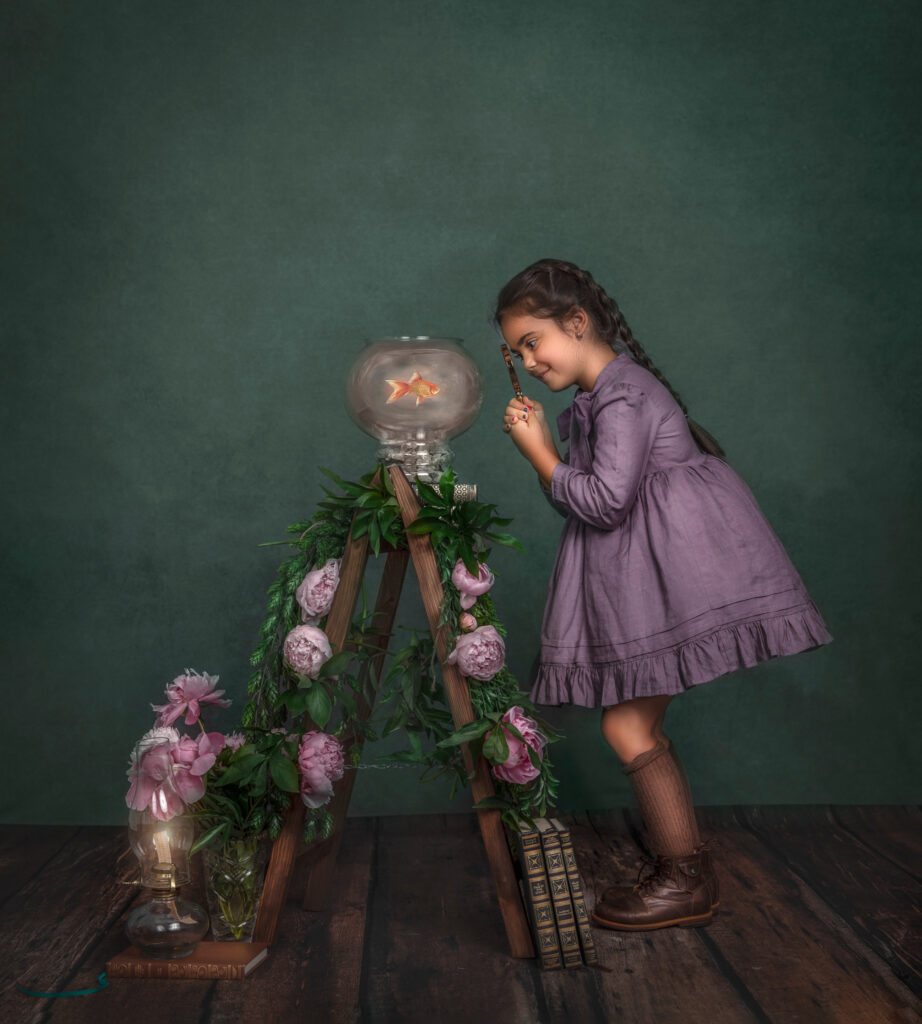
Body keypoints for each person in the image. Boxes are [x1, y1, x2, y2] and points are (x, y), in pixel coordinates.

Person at [495, 257, 833, 931]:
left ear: (578, 322)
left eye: (534, 340)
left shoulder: (623, 394)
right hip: (640, 575)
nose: (528, 360)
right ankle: (684, 874)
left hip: (670, 572)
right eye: (516, 351)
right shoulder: (601, 397)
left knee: (627, 725)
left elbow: (606, 502)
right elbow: (586, 505)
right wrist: (549, 457)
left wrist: (538, 453)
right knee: (630, 724)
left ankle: (686, 878)